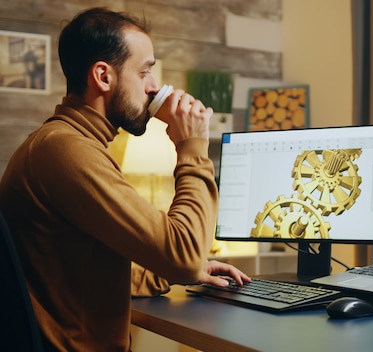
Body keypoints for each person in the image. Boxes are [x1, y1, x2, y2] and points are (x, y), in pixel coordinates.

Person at [0, 7, 250, 351]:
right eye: (146, 71)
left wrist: (175, 271)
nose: (154, 87)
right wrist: (191, 146)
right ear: (103, 76)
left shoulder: (65, 144)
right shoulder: (66, 151)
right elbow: (186, 255)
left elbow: (84, 271)